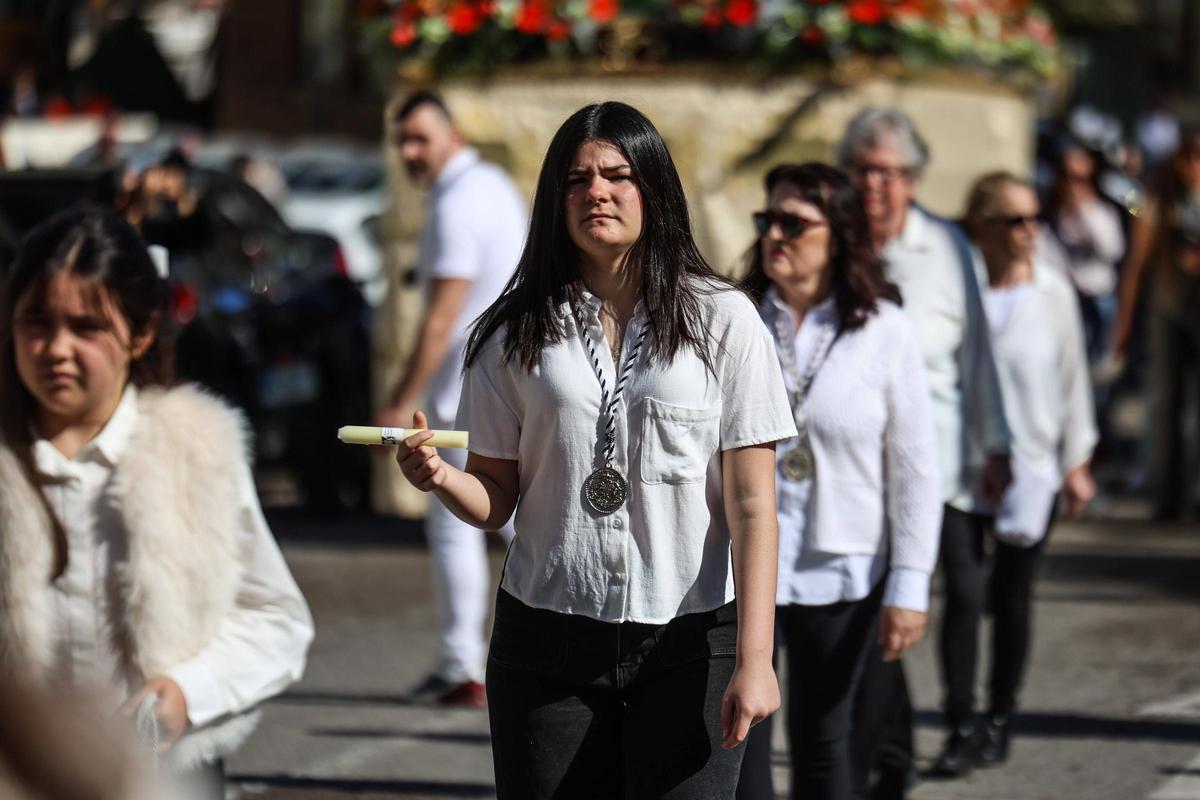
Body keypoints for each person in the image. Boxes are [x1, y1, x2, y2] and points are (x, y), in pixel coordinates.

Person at [394, 101, 796, 798]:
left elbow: (755, 505)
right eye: (577, 180)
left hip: (690, 637)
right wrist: (437, 477)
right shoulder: (510, 334)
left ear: (655, 190)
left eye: (617, 175)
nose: (597, 193)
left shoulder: (725, 321)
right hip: (546, 641)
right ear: (556, 200)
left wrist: (756, 660)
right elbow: (495, 499)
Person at [0, 209, 313, 800]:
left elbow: (277, 621)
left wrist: (187, 691)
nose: (56, 349)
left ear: (140, 333)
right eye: (36, 323)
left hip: (156, 780)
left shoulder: (195, 451)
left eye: (86, 326)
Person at [733, 164, 942, 800]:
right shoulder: (733, 320)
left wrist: (909, 584)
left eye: (794, 223)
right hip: (743, 567)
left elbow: (914, 467)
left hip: (843, 568)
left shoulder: (883, 329)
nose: (776, 236)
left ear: (840, 235)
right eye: (768, 220)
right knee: (739, 745)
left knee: (827, 746)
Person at [835, 107, 1012, 795]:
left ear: (914, 179)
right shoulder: (830, 241)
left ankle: (953, 724)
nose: (876, 185)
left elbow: (978, 355)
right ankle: (891, 753)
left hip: (935, 461)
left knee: (955, 595)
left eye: (891, 172)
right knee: (879, 612)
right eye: (864, 170)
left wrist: (995, 444)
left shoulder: (947, 249)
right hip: (854, 468)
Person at [376, 91, 527, 707]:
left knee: (460, 524)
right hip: (504, 378)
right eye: (402, 141)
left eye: (420, 137)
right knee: (520, 517)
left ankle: (462, 663)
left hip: (464, 390)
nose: (411, 151)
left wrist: (398, 398)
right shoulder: (491, 184)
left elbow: (440, 320)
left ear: (453, 134)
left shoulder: (457, 202)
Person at [951, 171, 1097, 767]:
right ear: (981, 226)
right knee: (963, 594)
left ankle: (1000, 714)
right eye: (1015, 219)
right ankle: (961, 723)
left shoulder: (1053, 292)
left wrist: (1077, 460)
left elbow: (1072, 379)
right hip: (962, 466)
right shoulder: (959, 292)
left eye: (1035, 218)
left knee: (1012, 595)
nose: (1030, 230)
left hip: (1033, 466)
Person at [1113, 129, 1200, 521]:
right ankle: (1168, 493)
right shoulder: (1157, 201)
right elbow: (1136, 266)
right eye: (1191, 157)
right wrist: (1125, 323)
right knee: (1166, 402)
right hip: (1167, 310)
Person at [1045, 142, 1126, 363]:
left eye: (1080, 179)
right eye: (1068, 177)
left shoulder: (1103, 212)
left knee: (1096, 363)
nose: (1073, 186)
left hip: (1098, 300)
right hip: (1066, 301)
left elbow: (1113, 250)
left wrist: (1085, 211)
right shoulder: (1051, 215)